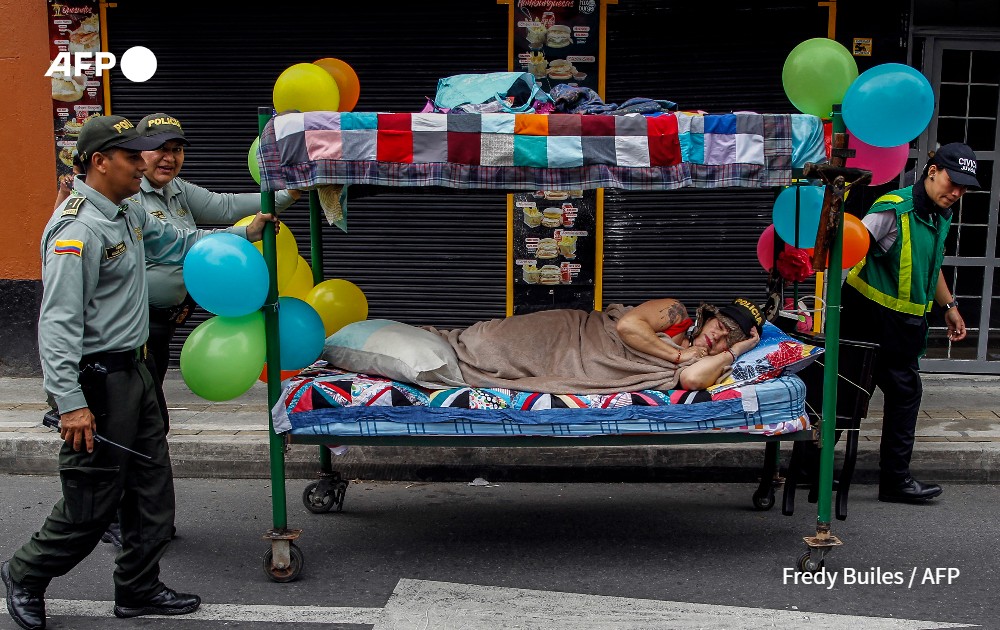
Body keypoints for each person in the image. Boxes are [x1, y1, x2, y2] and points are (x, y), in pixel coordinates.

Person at [1, 115, 277, 630]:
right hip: (97, 382)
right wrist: (70, 403)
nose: (143, 165)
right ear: (100, 162)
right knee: (92, 501)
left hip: (136, 370)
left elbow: (179, 242)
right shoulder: (77, 230)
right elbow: (57, 325)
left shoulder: (127, 211)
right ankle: (26, 573)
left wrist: (244, 232)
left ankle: (138, 587)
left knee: (152, 487)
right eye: (132, 157)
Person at [839, 142, 978, 504]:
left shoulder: (939, 214)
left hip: (902, 324)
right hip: (866, 317)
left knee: (853, 396)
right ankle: (893, 481)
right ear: (932, 171)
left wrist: (949, 305)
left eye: (964, 188)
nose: (957, 192)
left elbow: (931, 263)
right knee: (864, 395)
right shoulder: (894, 209)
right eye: (952, 182)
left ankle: (811, 471)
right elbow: (848, 250)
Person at [134, 113, 299, 399]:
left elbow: (225, 205)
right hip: (136, 323)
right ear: (138, 152)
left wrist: (288, 194)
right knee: (143, 406)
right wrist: (245, 233)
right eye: (160, 149)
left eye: (176, 150)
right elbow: (178, 241)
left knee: (149, 402)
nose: (169, 158)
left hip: (163, 323)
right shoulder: (129, 195)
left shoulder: (175, 188)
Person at [433, 297, 763, 394]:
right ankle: (443, 347)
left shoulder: (710, 360)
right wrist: (678, 354)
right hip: (571, 332)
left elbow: (691, 380)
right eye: (720, 327)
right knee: (486, 344)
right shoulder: (675, 313)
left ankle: (440, 360)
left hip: (576, 363)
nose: (718, 338)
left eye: (728, 339)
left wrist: (737, 350)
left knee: (495, 366)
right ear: (709, 317)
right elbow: (627, 326)